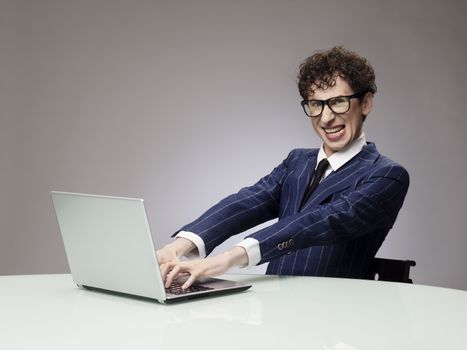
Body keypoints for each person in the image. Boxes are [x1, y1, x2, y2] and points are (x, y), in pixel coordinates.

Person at [156, 46, 410, 289]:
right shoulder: (297, 162)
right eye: (315, 104)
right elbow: (247, 202)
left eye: (338, 102)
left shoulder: (386, 176)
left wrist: (225, 260)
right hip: (274, 310)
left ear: (365, 103)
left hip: (333, 318)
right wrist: (177, 247)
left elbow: (323, 221)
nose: (326, 117)